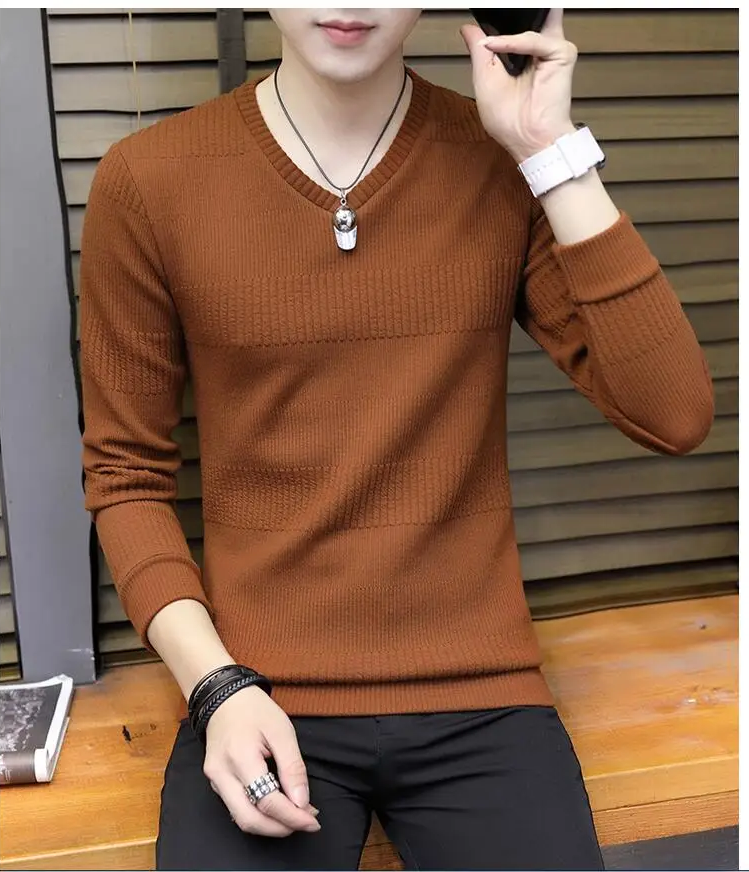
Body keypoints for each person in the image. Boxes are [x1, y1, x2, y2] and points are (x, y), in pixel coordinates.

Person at [79, 8, 714, 871]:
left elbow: (673, 413)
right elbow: (125, 476)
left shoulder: (498, 161)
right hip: (254, 691)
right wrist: (216, 686)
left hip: (480, 693)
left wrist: (550, 148)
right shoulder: (149, 180)